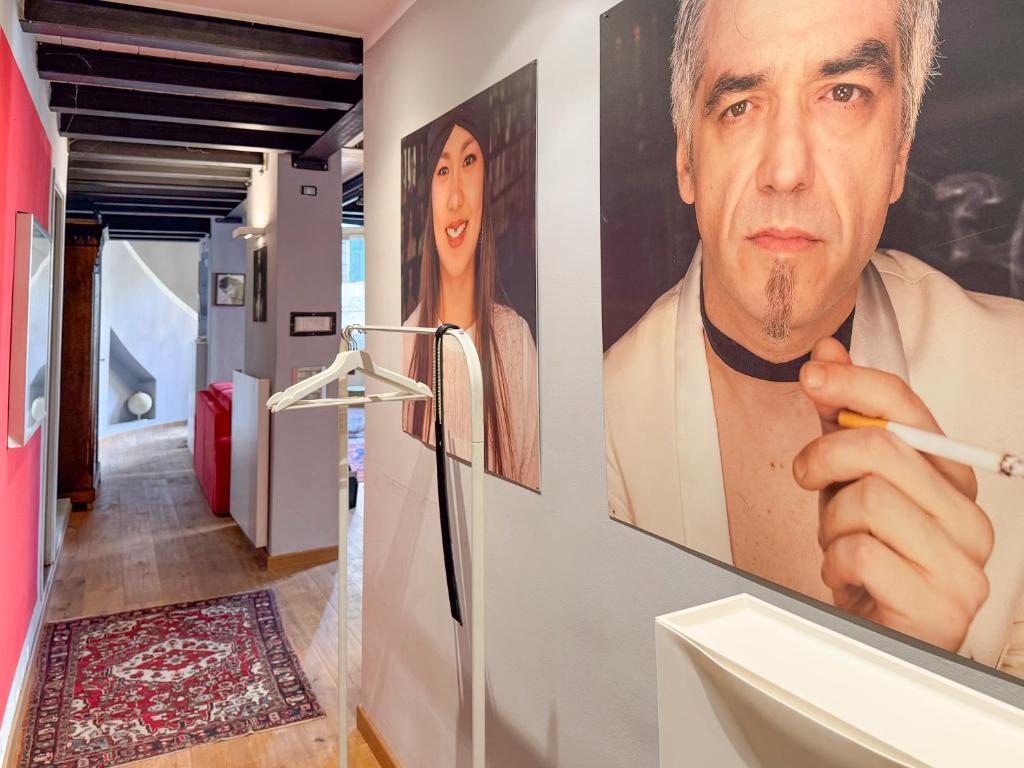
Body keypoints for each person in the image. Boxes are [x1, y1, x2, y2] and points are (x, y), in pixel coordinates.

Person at [603, 0, 1024, 677]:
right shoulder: (602, 428)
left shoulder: (1016, 376)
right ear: (686, 160)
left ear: (899, 153)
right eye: (740, 104)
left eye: (843, 94)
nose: (786, 169)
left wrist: (936, 679)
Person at [403, 105, 540, 490]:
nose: (455, 199)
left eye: (469, 161)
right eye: (442, 170)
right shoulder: (405, 344)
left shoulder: (515, 341)